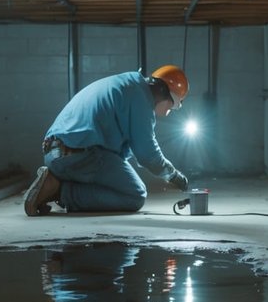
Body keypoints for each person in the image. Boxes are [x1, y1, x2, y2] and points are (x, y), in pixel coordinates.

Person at [24, 65, 191, 216]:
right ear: (164, 93)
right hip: (78, 154)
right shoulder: (142, 101)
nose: (168, 111)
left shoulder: (127, 84)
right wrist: (174, 175)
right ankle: (59, 190)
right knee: (135, 194)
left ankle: (58, 180)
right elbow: (148, 155)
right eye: (171, 107)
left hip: (55, 151)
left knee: (117, 177)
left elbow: (123, 153)